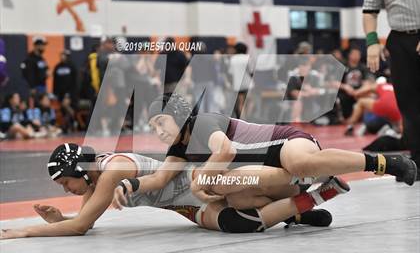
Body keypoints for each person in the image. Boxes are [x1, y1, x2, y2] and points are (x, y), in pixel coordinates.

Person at [0, 143, 342, 239]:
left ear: (78, 171)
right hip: (185, 206)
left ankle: (306, 179)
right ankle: (308, 202)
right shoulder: (96, 176)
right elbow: (82, 221)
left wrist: (25, 231)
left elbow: (81, 227)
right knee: (242, 223)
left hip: (195, 183)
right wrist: (59, 219)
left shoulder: (112, 170)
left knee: (252, 192)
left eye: (65, 183)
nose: (69, 190)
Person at [137, 93, 416, 203]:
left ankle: (387, 163)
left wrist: (201, 182)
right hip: (265, 170)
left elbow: (225, 151)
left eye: (161, 122)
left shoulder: (202, 123)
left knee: (299, 165)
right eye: (153, 127)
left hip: (282, 144)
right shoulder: (178, 148)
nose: (159, 132)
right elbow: (160, 178)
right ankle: (302, 206)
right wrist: (127, 184)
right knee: (237, 200)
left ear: (180, 115)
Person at [363, 0, 420, 178]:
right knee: (408, 103)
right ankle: (418, 159)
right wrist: (371, 43)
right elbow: (370, 9)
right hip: (398, 39)